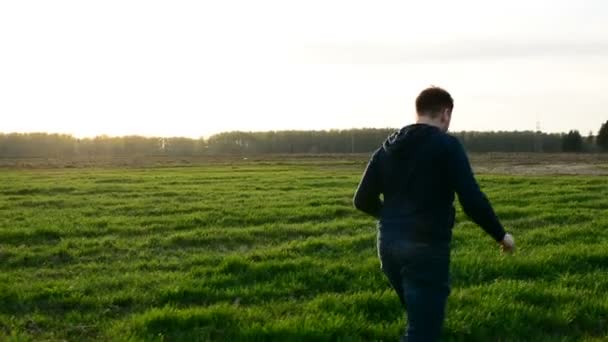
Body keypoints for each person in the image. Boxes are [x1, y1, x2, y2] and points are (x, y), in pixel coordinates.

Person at [353, 86, 515, 341]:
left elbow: (361, 200)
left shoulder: (386, 149)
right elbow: (471, 199)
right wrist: (501, 235)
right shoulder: (446, 145)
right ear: (445, 114)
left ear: (418, 111)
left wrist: (391, 217)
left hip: (388, 246)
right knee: (422, 332)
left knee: (420, 318)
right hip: (426, 247)